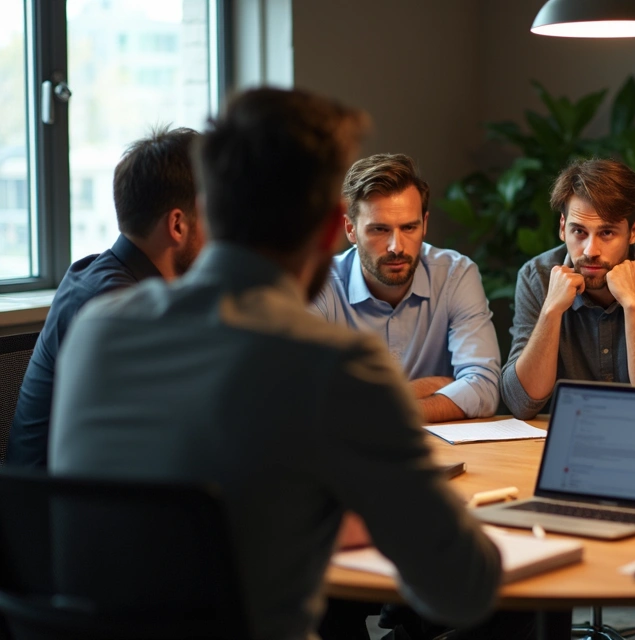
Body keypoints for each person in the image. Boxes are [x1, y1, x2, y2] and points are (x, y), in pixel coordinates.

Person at [49, 88, 501, 640]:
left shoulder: (100, 330)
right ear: (338, 228)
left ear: (205, 211)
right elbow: (463, 588)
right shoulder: (332, 363)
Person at [7, 127, 205, 468]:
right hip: (52, 512)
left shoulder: (104, 276)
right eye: (215, 217)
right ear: (177, 225)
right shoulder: (116, 305)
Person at [500, 157, 635, 419]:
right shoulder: (536, 277)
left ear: (634, 231)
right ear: (562, 228)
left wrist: (634, 305)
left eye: (607, 233)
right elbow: (520, 403)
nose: (590, 251)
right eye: (579, 232)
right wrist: (551, 311)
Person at [313, 153, 500, 422]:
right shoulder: (321, 283)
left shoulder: (455, 275)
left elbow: (483, 388)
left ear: (424, 223)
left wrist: (382, 408)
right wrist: (438, 386)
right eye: (379, 229)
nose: (397, 247)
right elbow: (303, 395)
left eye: (409, 227)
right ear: (350, 230)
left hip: (437, 453)